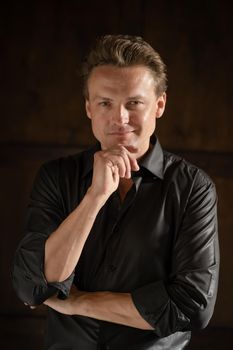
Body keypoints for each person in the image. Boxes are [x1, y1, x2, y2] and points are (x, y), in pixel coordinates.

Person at [12, 35, 219, 350]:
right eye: (105, 103)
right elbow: (34, 286)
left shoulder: (193, 188)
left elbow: (191, 307)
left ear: (159, 104)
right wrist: (94, 197)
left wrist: (78, 302)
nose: (120, 119)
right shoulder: (55, 177)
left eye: (134, 103)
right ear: (88, 108)